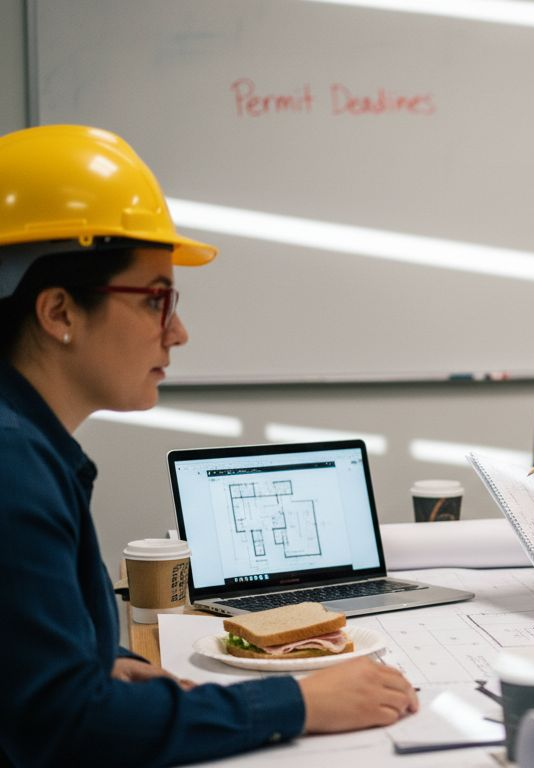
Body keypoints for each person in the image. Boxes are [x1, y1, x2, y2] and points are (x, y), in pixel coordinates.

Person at [0, 125, 418, 767]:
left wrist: (103, 662)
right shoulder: (12, 467)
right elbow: (66, 728)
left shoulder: (24, 444)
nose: (180, 332)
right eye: (157, 300)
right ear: (59, 313)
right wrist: (300, 703)